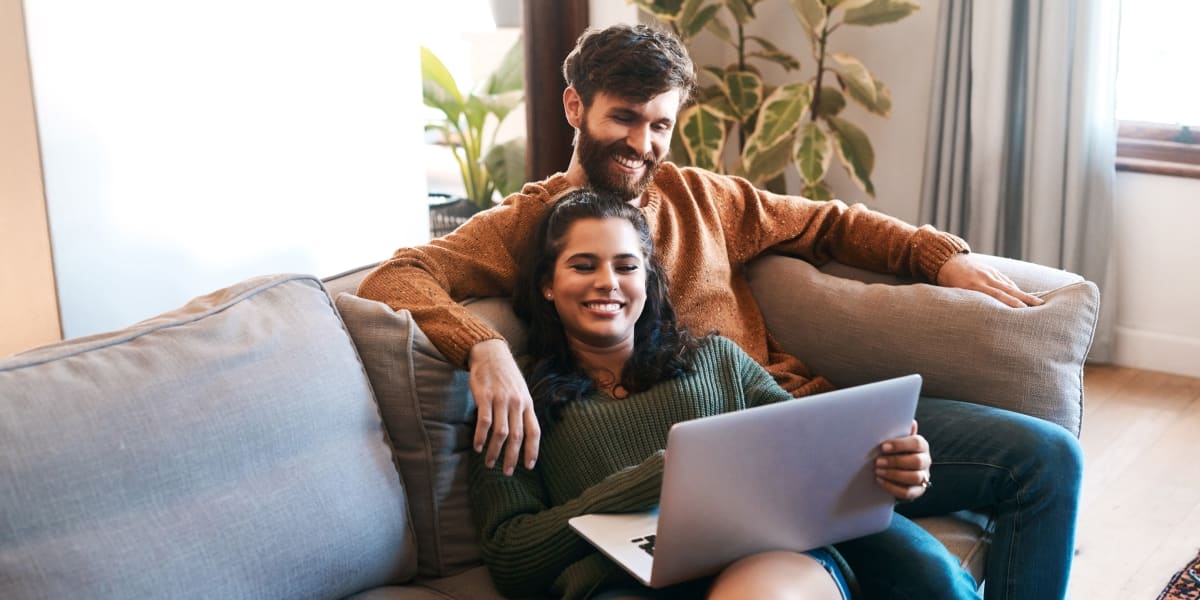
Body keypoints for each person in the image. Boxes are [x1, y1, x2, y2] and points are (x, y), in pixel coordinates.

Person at [358, 23, 1082, 600]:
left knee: (1045, 458)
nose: (644, 145)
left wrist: (939, 256)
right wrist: (481, 348)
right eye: (625, 118)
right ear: (575, 107)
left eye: (661, 125)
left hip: (796, 428)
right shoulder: (529, 226)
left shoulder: (705, 197)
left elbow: (829, 223)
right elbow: (399, 274)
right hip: (685, 487)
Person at [470, 188, 933, 599]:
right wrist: (653, 481)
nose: (608, 281)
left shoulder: (715, 359)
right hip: (620, 583)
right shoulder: (516, 400)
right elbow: (511, 558)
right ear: (548, 284)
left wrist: (890, 471)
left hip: (758, 559)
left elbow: (812, 461)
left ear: (647, 282)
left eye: (626, 266)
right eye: (583, 265)